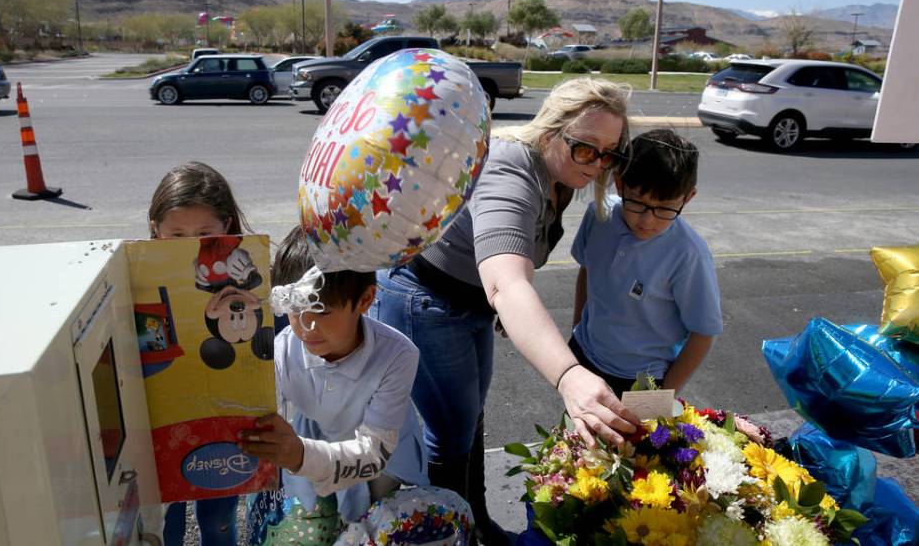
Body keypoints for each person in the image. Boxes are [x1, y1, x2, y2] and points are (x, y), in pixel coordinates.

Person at [371, 77, 643, 545]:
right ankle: (449, 531)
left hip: (470, 302)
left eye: (610, 153)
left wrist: (499, 304)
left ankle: (475, 521)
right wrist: (570, 377)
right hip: (427, 299)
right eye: (586, 149)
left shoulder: (564, 175)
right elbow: (507, 280)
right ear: (548, 134)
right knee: (451, 433)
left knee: (471, 417)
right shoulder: (510, 167)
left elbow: (513, 266)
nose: (598, 164)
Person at [239, 226, 442, 545]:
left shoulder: (397, 355)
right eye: (294, 308)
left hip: (384, 462)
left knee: (382, 528)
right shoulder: (281, 351)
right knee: (315, 527)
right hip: (311, 445)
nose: (305, 326)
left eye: (320, 311)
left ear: (365, 299)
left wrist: (299, 455)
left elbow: (374, 454)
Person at [570, 128, 722, 395]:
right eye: (637, 203)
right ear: (619, 184)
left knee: (627, 438)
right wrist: (576, 328)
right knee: (576, 433)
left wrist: (662, 397)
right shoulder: (599, 215)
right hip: (583, 355)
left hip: (640, 382)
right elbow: (587, 270)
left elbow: (703, 333)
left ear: (688, 198)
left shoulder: (688, 254)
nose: (647, 221)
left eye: (664, 208)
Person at [148, 161, 250, 546]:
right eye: (176, 234)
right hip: (163, 421)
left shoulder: (245, 269)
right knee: (165, 523)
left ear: (226, 226)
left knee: (220, 520)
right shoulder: (135, 278)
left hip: (225, 418)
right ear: (155, 229)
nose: (190, 244)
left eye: (204, 233)